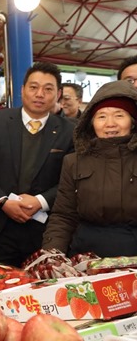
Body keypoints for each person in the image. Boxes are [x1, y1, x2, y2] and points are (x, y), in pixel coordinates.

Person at [0, 62, 75, 268]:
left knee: (42, 286)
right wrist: (3, 201)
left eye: (48, 89)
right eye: (33, 87)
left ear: (58, 94)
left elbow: (71, 179)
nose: (40, 94)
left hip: (45, 227)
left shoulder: (69, 131)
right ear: (22, 89)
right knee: (1, 285)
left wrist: (40, 201)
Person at [43, 81, 137, 257]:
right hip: (87, 255)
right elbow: (63, 215)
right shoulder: (74, 161)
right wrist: (51, 254)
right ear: (91, 123)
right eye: (101, 116)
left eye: (119, 115)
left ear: (132, 122)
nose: (110, 124)